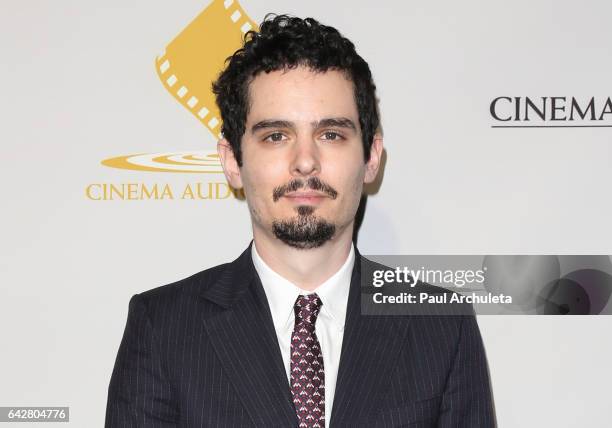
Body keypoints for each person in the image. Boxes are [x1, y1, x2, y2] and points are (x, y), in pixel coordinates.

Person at [105, 14, 495, 427]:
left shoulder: (440, 326)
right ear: (233, 161)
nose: (305, 161)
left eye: (331, 134)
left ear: (371, 156)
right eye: (276, 136)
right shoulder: (164, 327)